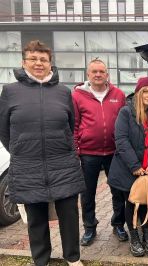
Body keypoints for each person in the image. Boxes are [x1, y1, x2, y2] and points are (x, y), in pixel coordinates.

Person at [0, 40, 85, 266]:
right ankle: (41, 260)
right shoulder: (9, 92)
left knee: (69, 215)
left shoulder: (63, 92)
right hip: (28, 166)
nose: (39, 63)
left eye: (43, 59)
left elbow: (71, 125)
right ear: (24, 62)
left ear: (50, 63)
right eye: (33, 59)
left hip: (62, 164)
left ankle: (73, 257)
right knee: (36, 218)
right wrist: (21, 150)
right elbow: (4, 131)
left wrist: (66, 150)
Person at [108, 77, 148, 257]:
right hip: (129, 168)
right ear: (139, 93)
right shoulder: (126, 112)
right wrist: (135, 166)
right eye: (145, 91)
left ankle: (147, 236)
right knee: (132, 204)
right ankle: (134, 238)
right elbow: (121, 141)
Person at [72, 59, 127, 246]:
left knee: (118, 191)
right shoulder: (78, 96)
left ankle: (118, 223)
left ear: (107, 74)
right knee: (87, 194)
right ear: (88, 74)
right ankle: (89, 227)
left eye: (101, 71)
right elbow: (74, 125)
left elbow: (124, 124)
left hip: (114, 153)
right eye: (94, 71)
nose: (98, 74)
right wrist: (76, 149)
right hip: (88, 153)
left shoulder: (118, 95)